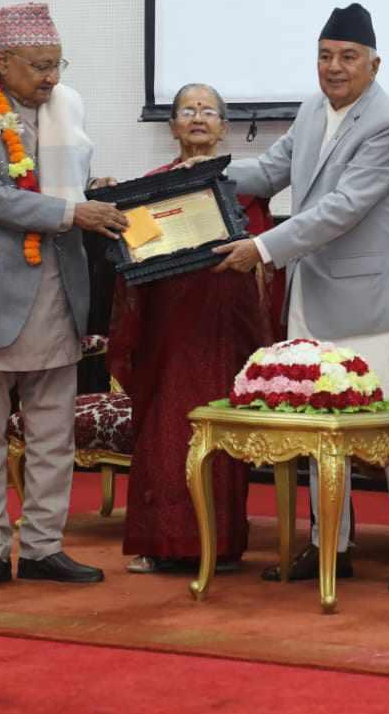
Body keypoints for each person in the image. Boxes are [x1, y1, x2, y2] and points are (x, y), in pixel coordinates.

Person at [212, 3, 389, 590]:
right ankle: (326, 542)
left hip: (371, 306)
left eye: (348, 57)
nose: (334, 68)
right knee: (315, 427)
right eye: (325, 56)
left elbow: (340, 211)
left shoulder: (386, 124)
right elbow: (270, 170)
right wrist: (193, 177)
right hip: (312, 299)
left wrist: (261, 249)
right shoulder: (313, 110)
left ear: (373, 63)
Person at [0, 2, 128, 592]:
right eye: (39, 67)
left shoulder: (65, 110)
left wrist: (94, 191)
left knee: (54, 433)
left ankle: (42, 547)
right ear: (2, 62)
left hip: (55, 293)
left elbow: (63, 186)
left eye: (57, 65)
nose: (51, 79)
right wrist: (73, 210)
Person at [109, 83, 278, 574]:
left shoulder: (244, 188)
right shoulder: (150, 188)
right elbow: (133, 262)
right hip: (168, 327)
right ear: (172, 126)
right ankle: (159, 542)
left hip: (224, 326)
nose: (198, 118)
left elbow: (266, 257)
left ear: (224, 127)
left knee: (217, 423)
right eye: (187, 110)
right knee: (165, 427)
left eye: (208, 111)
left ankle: (220, 545)